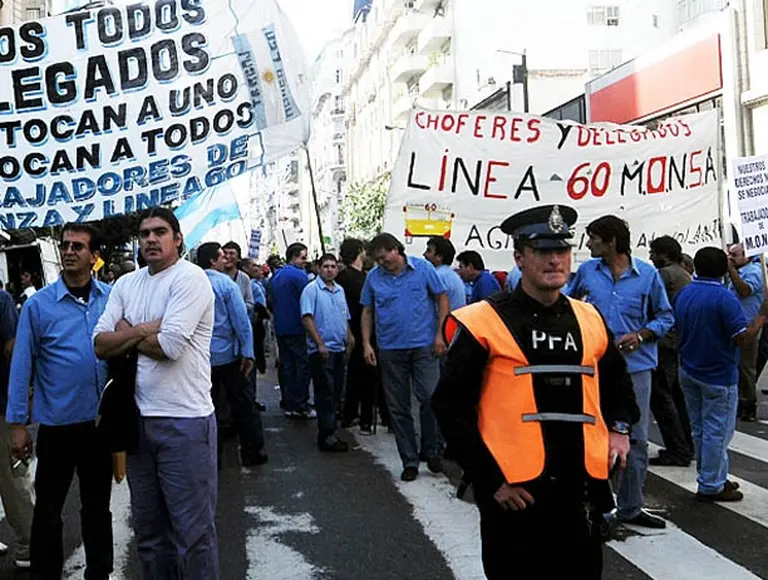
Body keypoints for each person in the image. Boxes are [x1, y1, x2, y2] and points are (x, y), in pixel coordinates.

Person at [433, 205, 639, 579]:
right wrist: (490, 482)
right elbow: (449, 408)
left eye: (561, 251)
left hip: (581, 489)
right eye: (542, 251)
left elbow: (618, 383)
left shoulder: (589, 317)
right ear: (519, 257)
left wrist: (621, 429)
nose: (554, 260)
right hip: (515, 494)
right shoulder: (483, 320)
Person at [93, 207, 218, 580]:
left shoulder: (190, 279)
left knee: (192, 535)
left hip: (185, 421)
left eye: (159, 232)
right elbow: (100, 343)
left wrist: (127, 333)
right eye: (144, 233)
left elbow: (171, 346)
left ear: (177, 239)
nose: (150, 239)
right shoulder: (126, 284)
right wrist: (145, 330)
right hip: (136, 423)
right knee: (148, 535)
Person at [8, 223, 113, 579]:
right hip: (57, 425)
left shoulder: (112, 298)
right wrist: (18, 424)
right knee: (48, 510)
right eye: (66, 246)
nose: (69, 252)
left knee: (97, 508)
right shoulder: (38, 306)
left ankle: (99, 572)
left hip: (99, 425)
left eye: (78, 247)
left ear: (94, 257)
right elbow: (22, 364)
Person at [567, 215, 674, 529]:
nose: (588, 245)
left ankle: (631, 506)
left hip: (636, 367)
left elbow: (666, 316)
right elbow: (568, 306)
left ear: (611, 240)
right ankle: (595, 506)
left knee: (635, 438)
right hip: (592, 366)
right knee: (591, 434)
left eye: (594, 239)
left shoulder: (648, 275)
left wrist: (641, 334)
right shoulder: (587, 271)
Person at [675, 247, 768, 501]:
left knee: (701, 430)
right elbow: (743, 339)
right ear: (723, 268)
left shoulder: (686, 292)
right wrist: (761, 317)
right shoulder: (724, 298)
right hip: (718, 373)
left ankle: (712, 474)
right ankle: (711, 484)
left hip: (690, 368)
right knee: (717, 431)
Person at [361, 233, 448, 481]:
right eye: (377, 260)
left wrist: (441, 333)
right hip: (390, 349)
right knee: (398, 407)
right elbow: (367, 310)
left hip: (425, 346)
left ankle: (431, 450)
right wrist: (367, 344)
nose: (382, 263)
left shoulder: (423, 269)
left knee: (432, 397)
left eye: (384, 257)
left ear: (396, 250)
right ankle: (409, 460)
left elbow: (441, 297)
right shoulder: (373, 278)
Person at [197, 243, 267, 468]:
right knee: (243, 405)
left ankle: (211, 457)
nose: (225, 260)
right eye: (221, 256)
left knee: (209, 408)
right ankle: (251, 451)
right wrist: (248, 353)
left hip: (201, 358)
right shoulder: (226, 284)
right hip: (229, 357)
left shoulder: (191, 284)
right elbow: (241, 323)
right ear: (212, 261)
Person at [648, 235, 694, 466]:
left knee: (662, 397)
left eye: (654, 253)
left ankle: (677, 448)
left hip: (664, 342)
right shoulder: (683, 274)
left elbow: (650, 304)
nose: (651, 257)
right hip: (676, 343)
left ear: (663, 254)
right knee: (675, 396)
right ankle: (685, 443)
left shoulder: (664, 275)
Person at [301, 254, 353, 452]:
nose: (330, 270)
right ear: (318, 268)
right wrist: (319, 343)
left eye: (333, 266)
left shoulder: (339, 290)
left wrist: (350, 336)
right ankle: (327, 435)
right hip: (322, 351)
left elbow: (344, 316)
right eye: (326, 266)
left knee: (336, 392)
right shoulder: (311, 290)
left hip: (339, 349)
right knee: (325, 394)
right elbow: (307, 318)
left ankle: (331, 431)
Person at [0, 284, 33, 569]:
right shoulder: (1, 301)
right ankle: (29, 544)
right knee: (13, 478)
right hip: (0, 404)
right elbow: (12, 349)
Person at [337, 238, 378, 434]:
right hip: (362, 332)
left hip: (351, 332)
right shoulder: (359, 279)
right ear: (359, 252)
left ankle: (349, 414)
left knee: (354, 376)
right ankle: (365, 419)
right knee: (367, 377)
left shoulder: (344, 278)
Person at [271, 243, 315, 419]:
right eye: (303, 257)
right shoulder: (299, 276)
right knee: (301, 367)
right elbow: (307, 301)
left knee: (287, 366)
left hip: (281, 327)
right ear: (294, 257)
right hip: (297, 327)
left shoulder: (277, 275)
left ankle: (289, 402)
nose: (305, 261)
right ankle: (301, 404)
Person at [727, 243, 765, 422]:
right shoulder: (736, 272)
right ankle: (738, 402)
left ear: (747, 256)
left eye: (734, 255)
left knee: (745, 367)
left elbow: (744, 291)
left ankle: (748, 404)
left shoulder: (755, 272)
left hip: (748, 327)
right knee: (734, 365)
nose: (730, 258)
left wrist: (730, 270)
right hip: (733, 326)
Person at [423, 237, 466, 312]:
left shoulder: (437, 276)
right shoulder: (452, 275)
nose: (424, 254)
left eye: (428, 251)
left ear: (439, 256)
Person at [222, 241, 254, 315]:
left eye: (231, 253)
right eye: (225, 253)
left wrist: (236, 307)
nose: (227, 256)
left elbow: (250, 303)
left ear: (238, 258)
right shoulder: (216, 277)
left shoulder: (244, 278)